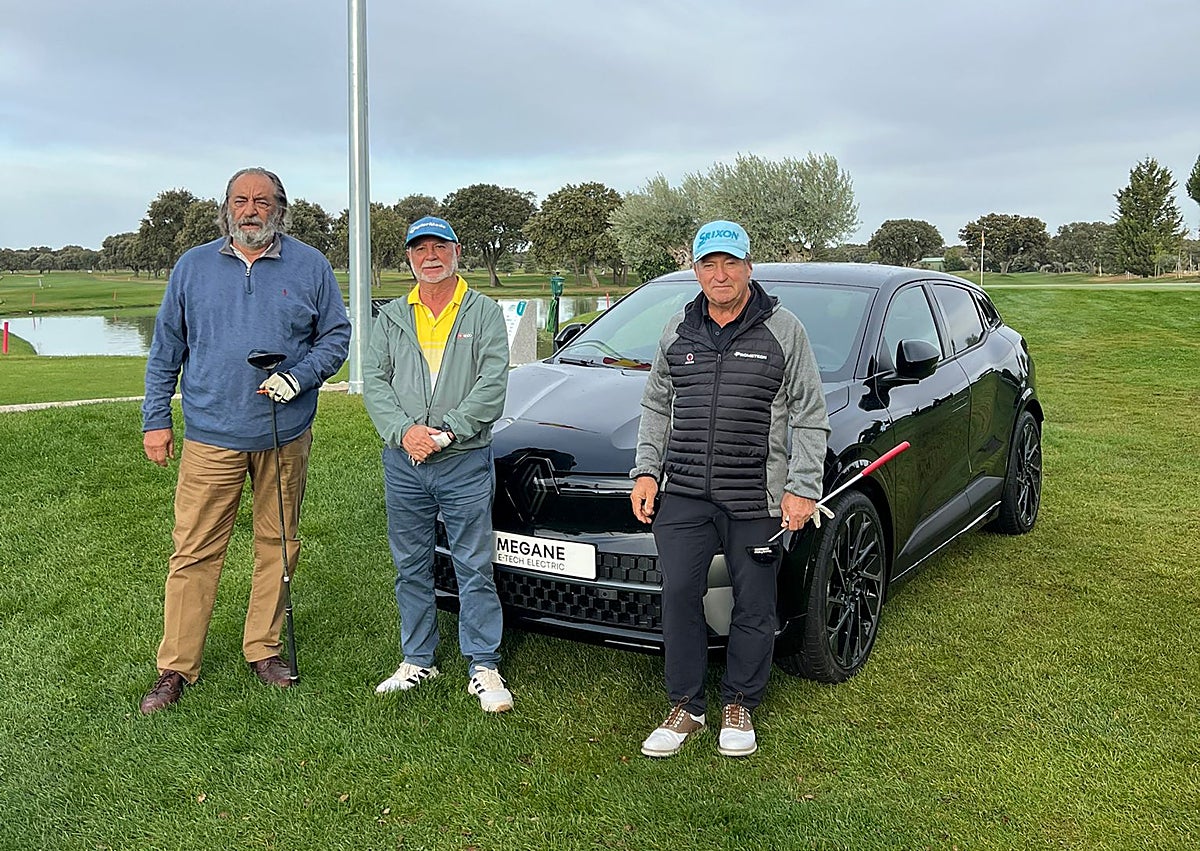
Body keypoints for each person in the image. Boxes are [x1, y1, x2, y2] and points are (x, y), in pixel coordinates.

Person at [138, 167, 351, 714]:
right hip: (211, 433)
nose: (250, 209)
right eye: (241, 200)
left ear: (281, 207)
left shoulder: (310, 265)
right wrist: (155, 419)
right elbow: (166, 349)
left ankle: (264, 647)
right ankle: (176, 667)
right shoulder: (193, 267)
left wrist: (300, 376)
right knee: (194, 551)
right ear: (226, 207)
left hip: (285, 433)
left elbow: (336, 335)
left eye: (262, 200)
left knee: (278, 544)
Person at [630, 220, 829, 757]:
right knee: (678, 597)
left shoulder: (783, 329)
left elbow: (810, 415)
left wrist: (802, 486)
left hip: (757, 498)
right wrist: (646, 470)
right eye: (709, 264)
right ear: (695, 270)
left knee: (754, 604)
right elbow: (655, 406)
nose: (720, 274)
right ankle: (686, 706)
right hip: (686, 495)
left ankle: (739, 701)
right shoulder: (678, 328)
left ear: (748, 267)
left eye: (730, 263)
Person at [362, 216, 513, 712]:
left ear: (457, 250)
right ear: (409, 257)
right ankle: (417, 658)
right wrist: (405, 432)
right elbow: (375, 381)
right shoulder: (390, 317)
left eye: (439, 246)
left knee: (473, 564)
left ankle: (483, 665)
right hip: (403, 460)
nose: (430, 255)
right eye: (420, 248)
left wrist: (446, 430)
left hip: (462, 458)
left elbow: (492, 385)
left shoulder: (483, 312)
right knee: (410, 565)